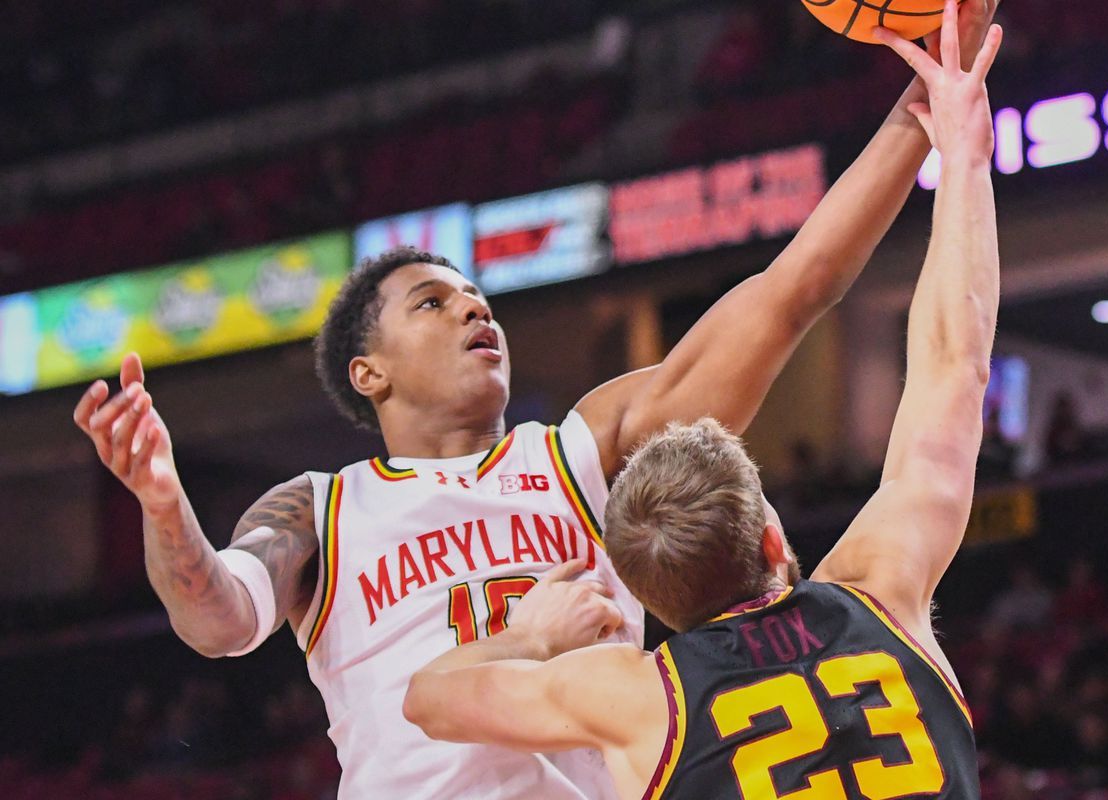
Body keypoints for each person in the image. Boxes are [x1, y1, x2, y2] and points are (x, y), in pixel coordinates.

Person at [71, 1, 998, 797]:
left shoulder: (579, 453)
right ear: (369, 372)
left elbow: (792, 291)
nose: (474, 307)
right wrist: (163, 503)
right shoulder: (321, 507)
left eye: (478, 297)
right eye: (433, 304)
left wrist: (923, 113)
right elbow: (220, 620)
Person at [405, 7, 1001, 798]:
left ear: (646, 598)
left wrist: (530, 635)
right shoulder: (882, 593)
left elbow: (428, 698)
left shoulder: (632, 697)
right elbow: (953, 365)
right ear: (772, 538)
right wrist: (963, 158)